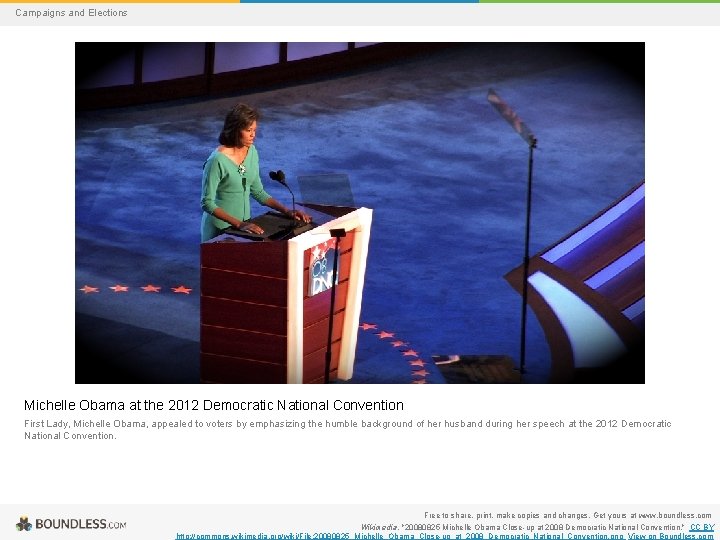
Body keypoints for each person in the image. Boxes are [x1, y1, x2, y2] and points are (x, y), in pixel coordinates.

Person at [200, 102, 311, 242]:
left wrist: (286, 211)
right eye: (248, 130)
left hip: (245, 228)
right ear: (235, 130)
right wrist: (239, 224)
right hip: (220, 231)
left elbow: (258, 192)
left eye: (254, 130)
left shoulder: (252, 151)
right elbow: (207, 203)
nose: (253, 135)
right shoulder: (216, 161)